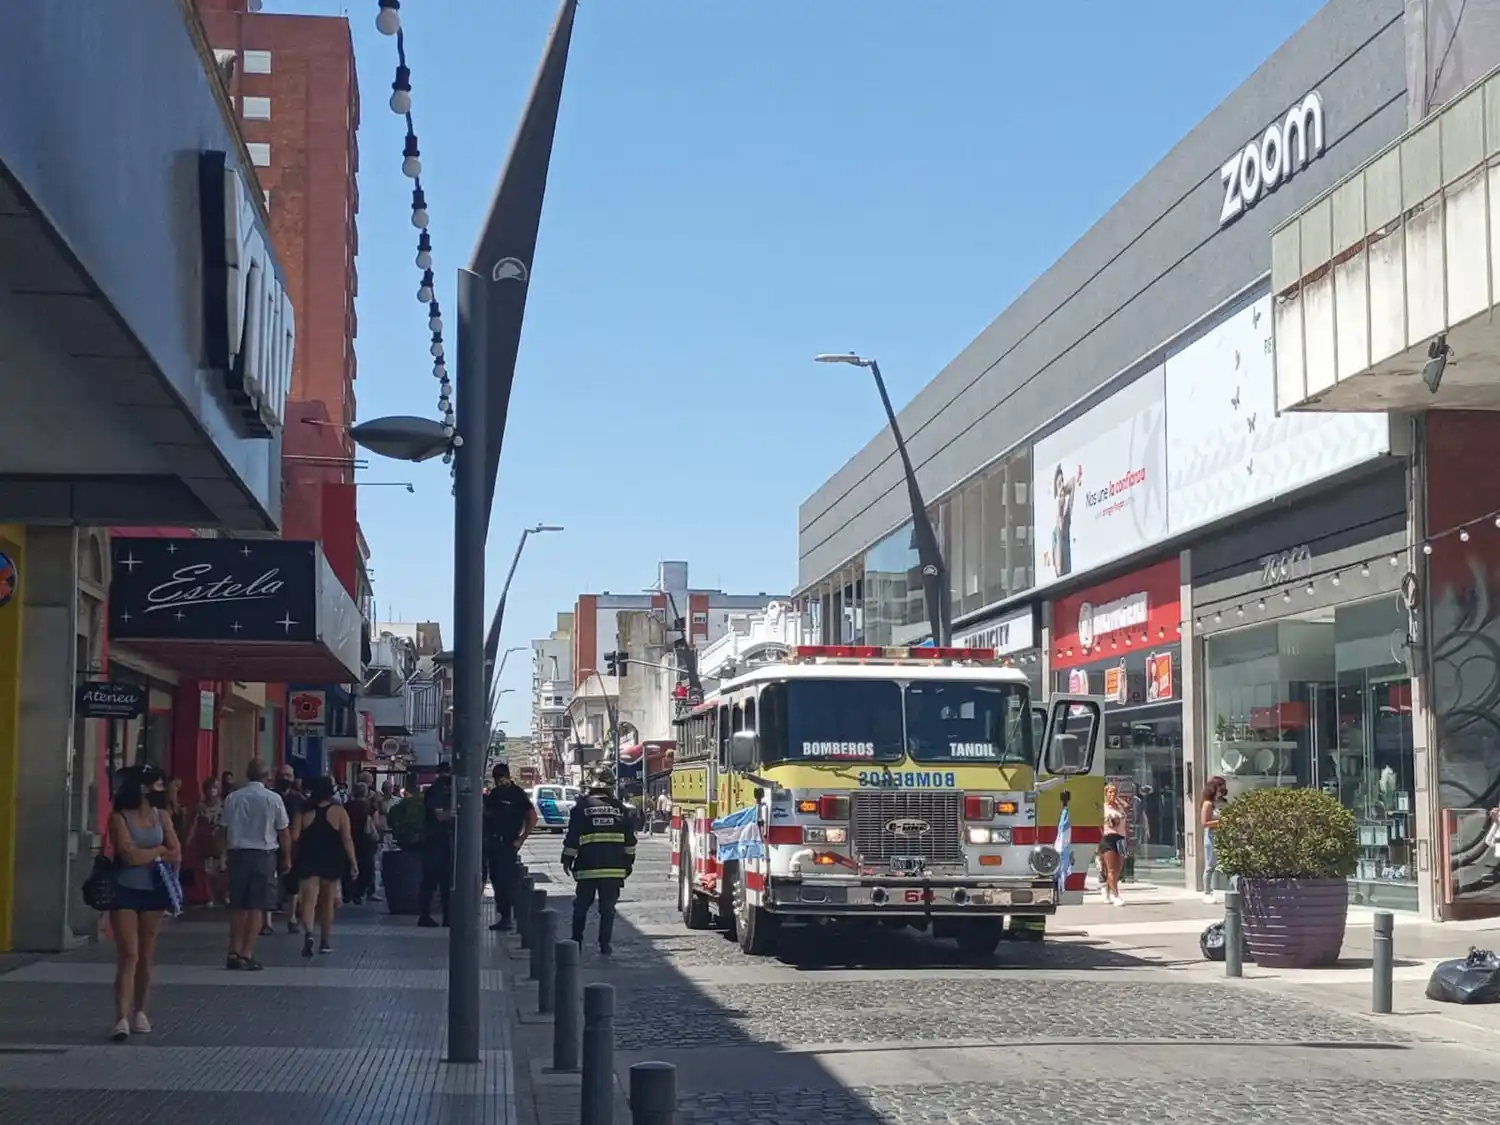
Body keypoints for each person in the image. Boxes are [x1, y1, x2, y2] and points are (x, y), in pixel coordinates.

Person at [107, 766, 181, 1041]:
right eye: (159, 784)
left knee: (146, 956)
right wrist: (158, 850)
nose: (163, 789)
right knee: (129, 954)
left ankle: (141, 1012)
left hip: (155, 892)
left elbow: (175, 852)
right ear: (143, 787)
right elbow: (128, 856)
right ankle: (121, 1017)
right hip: (125, 890)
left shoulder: (161, 816)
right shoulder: (119, 818)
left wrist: (153, 852)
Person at [220, 758, 290, 970]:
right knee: (258, 906)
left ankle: (233, 950)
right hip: (263, 856)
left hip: (238, 855)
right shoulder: (274, 799)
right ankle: (246, 953)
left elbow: (224, 828)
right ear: (267, 776)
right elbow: (283, 831)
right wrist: (286, 857)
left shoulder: (233, 798)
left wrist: (221, 855)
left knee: (238, 906)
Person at [561, 766, 635, 956]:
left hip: (587, 868)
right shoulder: (620, 808)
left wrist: (567, 858)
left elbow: (573, 837)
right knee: (608, 910)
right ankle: (605, 945)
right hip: (614, 870)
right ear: (611, 785)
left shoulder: (582, 807)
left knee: (581, 906)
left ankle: (576, 941)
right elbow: (630, 842)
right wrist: (628, 865)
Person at [292, 776, 358, 957]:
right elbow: (347, 839)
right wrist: (353, 862)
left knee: (308, 900)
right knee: (327, 903)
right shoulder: (339, 811)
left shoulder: (303, 811)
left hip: (308, 858)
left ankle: (308, 933)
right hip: (331, 860)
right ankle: (325, 941)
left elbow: (295, 836)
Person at [484, 763, 537, 932]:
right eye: (496, 777)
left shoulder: (517, 794)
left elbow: (532, 817)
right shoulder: (495, 794)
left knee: (505, 881)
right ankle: (505, 916)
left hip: (507, 843)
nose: (499, 780)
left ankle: (508, 917)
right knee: (497, 881)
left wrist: (521, 839)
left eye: (501, 776)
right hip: (493, 842)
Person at [418, 762, 455, 928]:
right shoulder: (437, 791)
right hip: (435, 841)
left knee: (447, 882)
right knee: (431, 880)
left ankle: (448, 916)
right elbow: (439, 816)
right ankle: (425, 915)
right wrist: (456, 811)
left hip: (446, 841)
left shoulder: (447, 790)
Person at [275, 767, 307, 933]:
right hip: (272, 843)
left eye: (288, 775)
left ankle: (292, 916)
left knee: (293, 882)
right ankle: (268, 918)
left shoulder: (298, 799)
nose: (285, 778)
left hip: (293, 845)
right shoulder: (272, 796)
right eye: (282, 775)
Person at [190, 777, 227, 907]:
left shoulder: (223, 806)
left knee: (221, 869)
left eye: (215, 788)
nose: (212, 791)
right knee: (205, 869)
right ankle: (208, 896)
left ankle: (222, 893)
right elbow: (193, 824)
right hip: (204, 840)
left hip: (220, 840)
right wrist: (189, 839)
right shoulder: (200, 807)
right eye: (210, 788)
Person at [343, 782, 378, 905]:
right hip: (366, 840)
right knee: (366, 867)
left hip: (350, 838)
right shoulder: (370, 806)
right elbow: (376, 823)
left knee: (348, 866)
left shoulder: (346, 806)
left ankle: (347, 892)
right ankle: (359, 892)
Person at [1099, 783, 1128, 907]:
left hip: (1121, 838)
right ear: (1106, 794)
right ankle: (1116, 895)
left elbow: (1126, 814)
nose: (1113, 794)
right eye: (1110, 792)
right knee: (1111, 869)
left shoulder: (1120, 807)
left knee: (1118, 869)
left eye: (1115, 792)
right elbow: (1099, 825)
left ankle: (1107, 891)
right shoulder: (1103, 807)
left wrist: (1118, 800)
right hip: (1108, 838)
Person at [1200, 775, 1228, 903]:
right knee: (1210, 865)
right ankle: (1207, 892)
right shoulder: (1208, 804)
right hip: (1212, 836)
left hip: (1225, 836)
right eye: (1220, 786)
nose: (1223, 789)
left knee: (1226, 864)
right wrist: (1221, 822)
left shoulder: (1224, 803)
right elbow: (1204, 823)